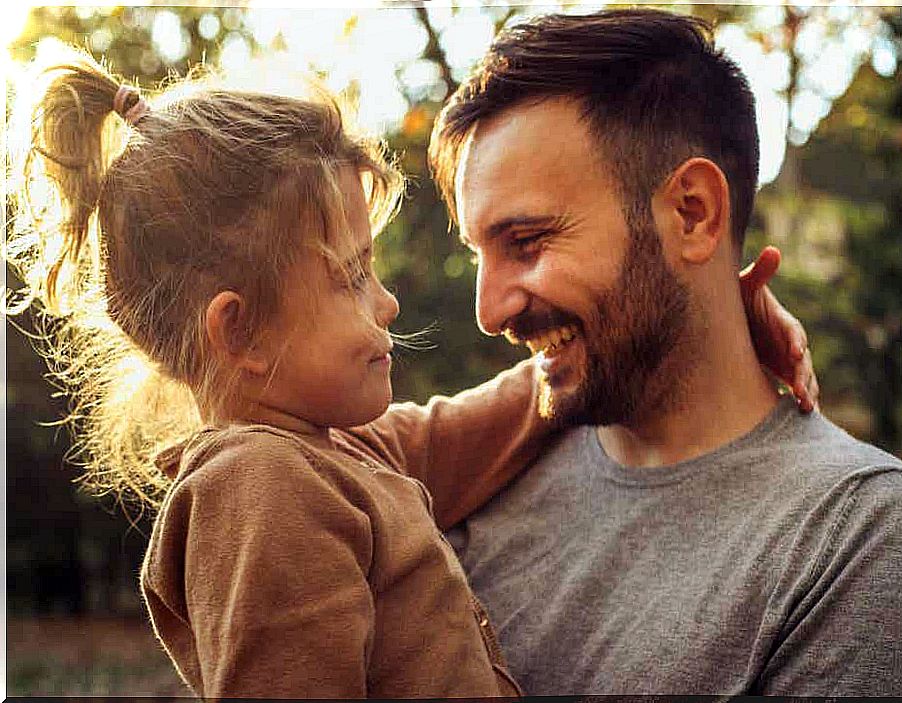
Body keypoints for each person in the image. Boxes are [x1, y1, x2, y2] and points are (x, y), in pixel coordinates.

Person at [6, 44, 814, 698]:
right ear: (240, 331)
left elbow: (483, 423)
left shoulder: (333, 454)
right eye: (351, 275)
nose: (386, 302)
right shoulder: (260, 489)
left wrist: (688, 321)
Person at [429, 8, 902, 697]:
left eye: (527, 242)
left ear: (691, 213)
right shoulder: (471, 473)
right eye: (478, 254)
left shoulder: (851, 534)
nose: (488, 310)